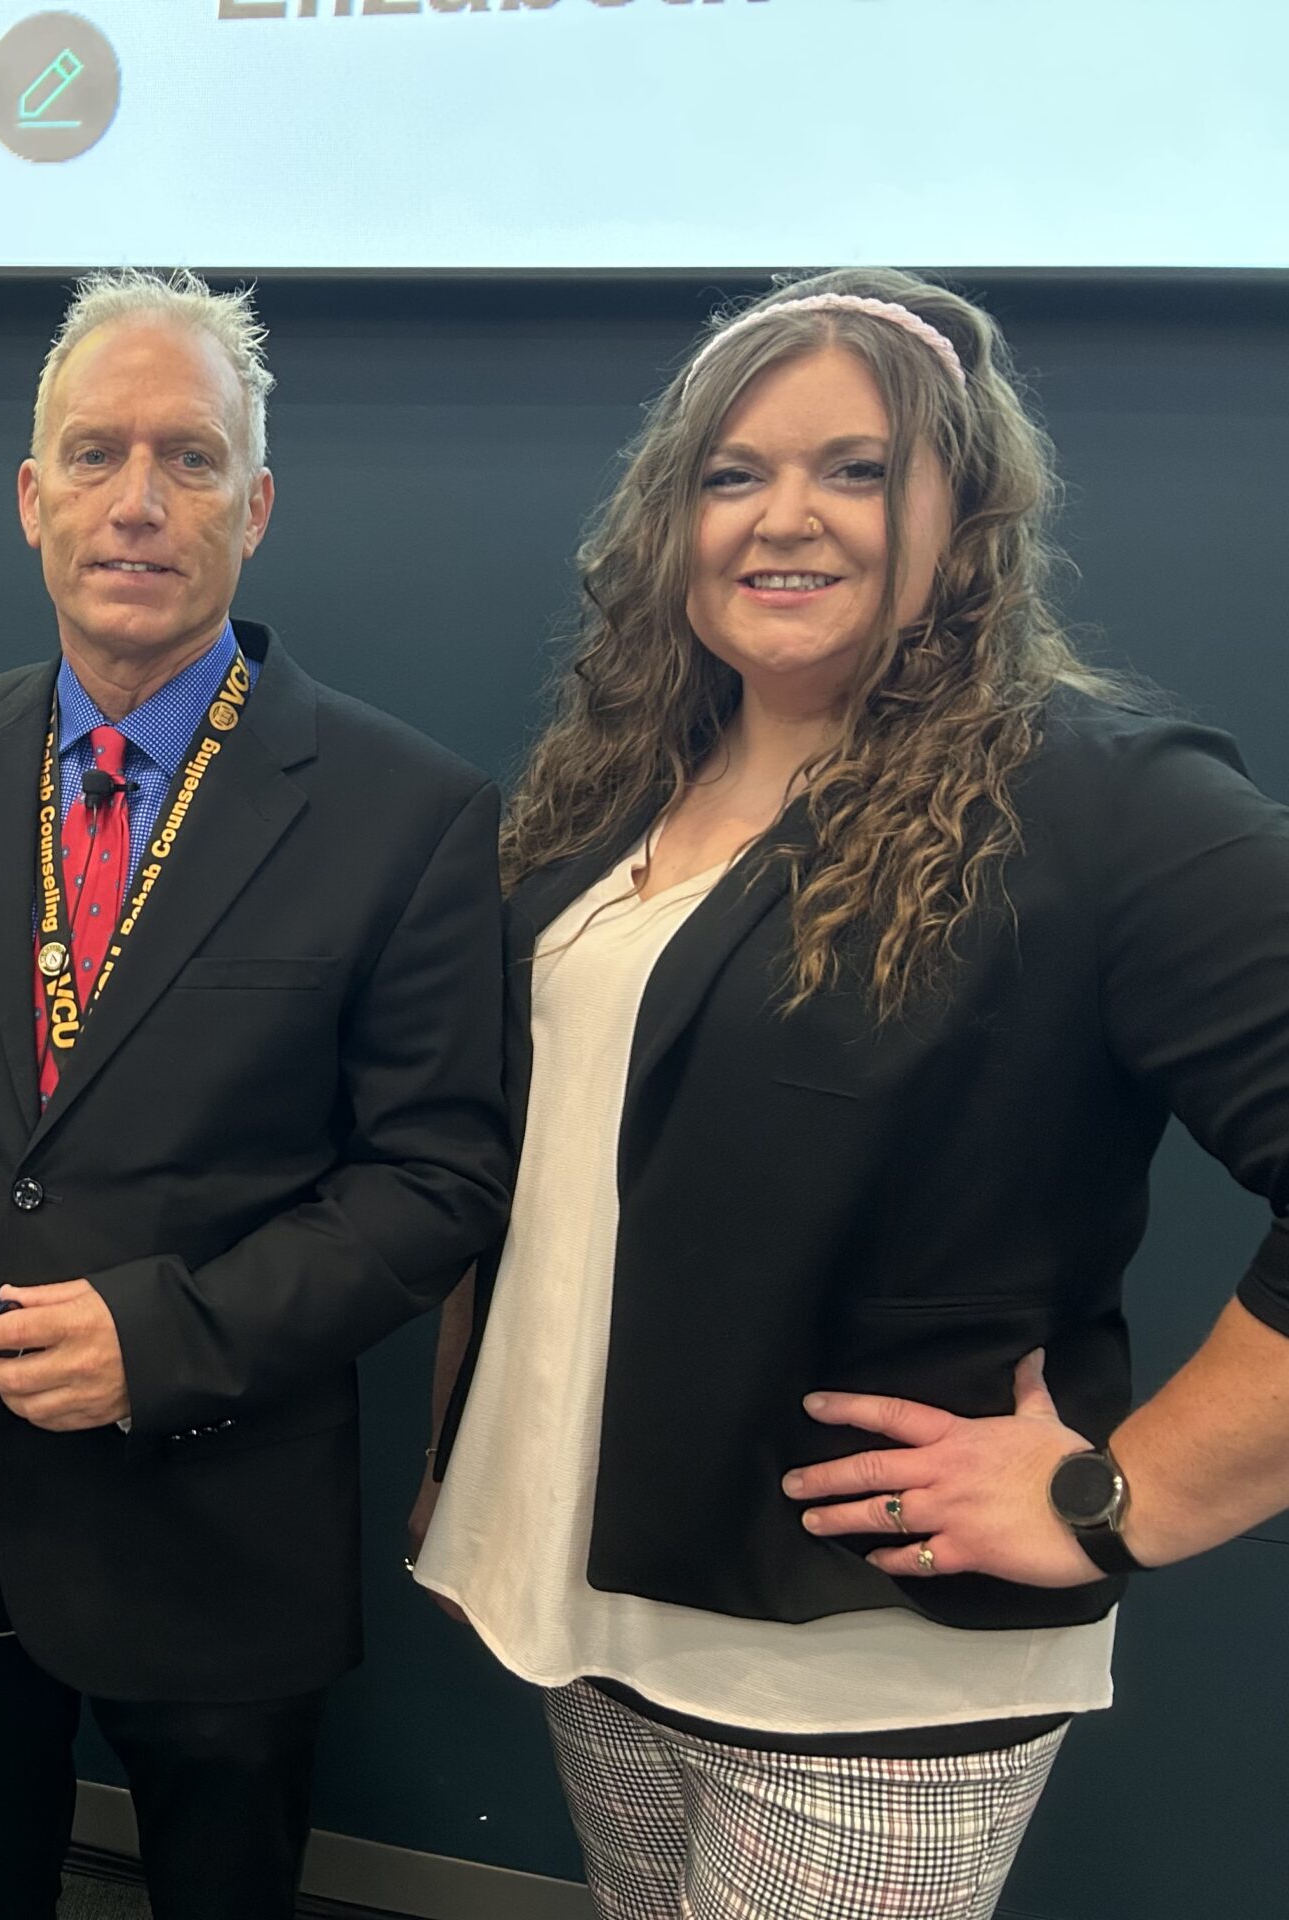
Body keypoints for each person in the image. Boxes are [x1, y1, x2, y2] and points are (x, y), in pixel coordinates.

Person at [412, 268, 1289, 1920]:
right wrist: (477, 1449)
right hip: (593, 1614)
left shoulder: (1102, 806)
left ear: (965, 515)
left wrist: (1125, 1498)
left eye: (858, 467)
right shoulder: (612, 803)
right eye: (732, 474)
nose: (782, 517)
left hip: (869, 1677)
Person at [0, 267, 513, 1919]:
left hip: (216, 1516)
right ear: (30, 498)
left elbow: (438, 1178)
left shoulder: (406, 810)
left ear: (256, 507)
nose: (136, 501)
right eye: (95, 454)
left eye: (187, 459)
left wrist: (158, 1343)